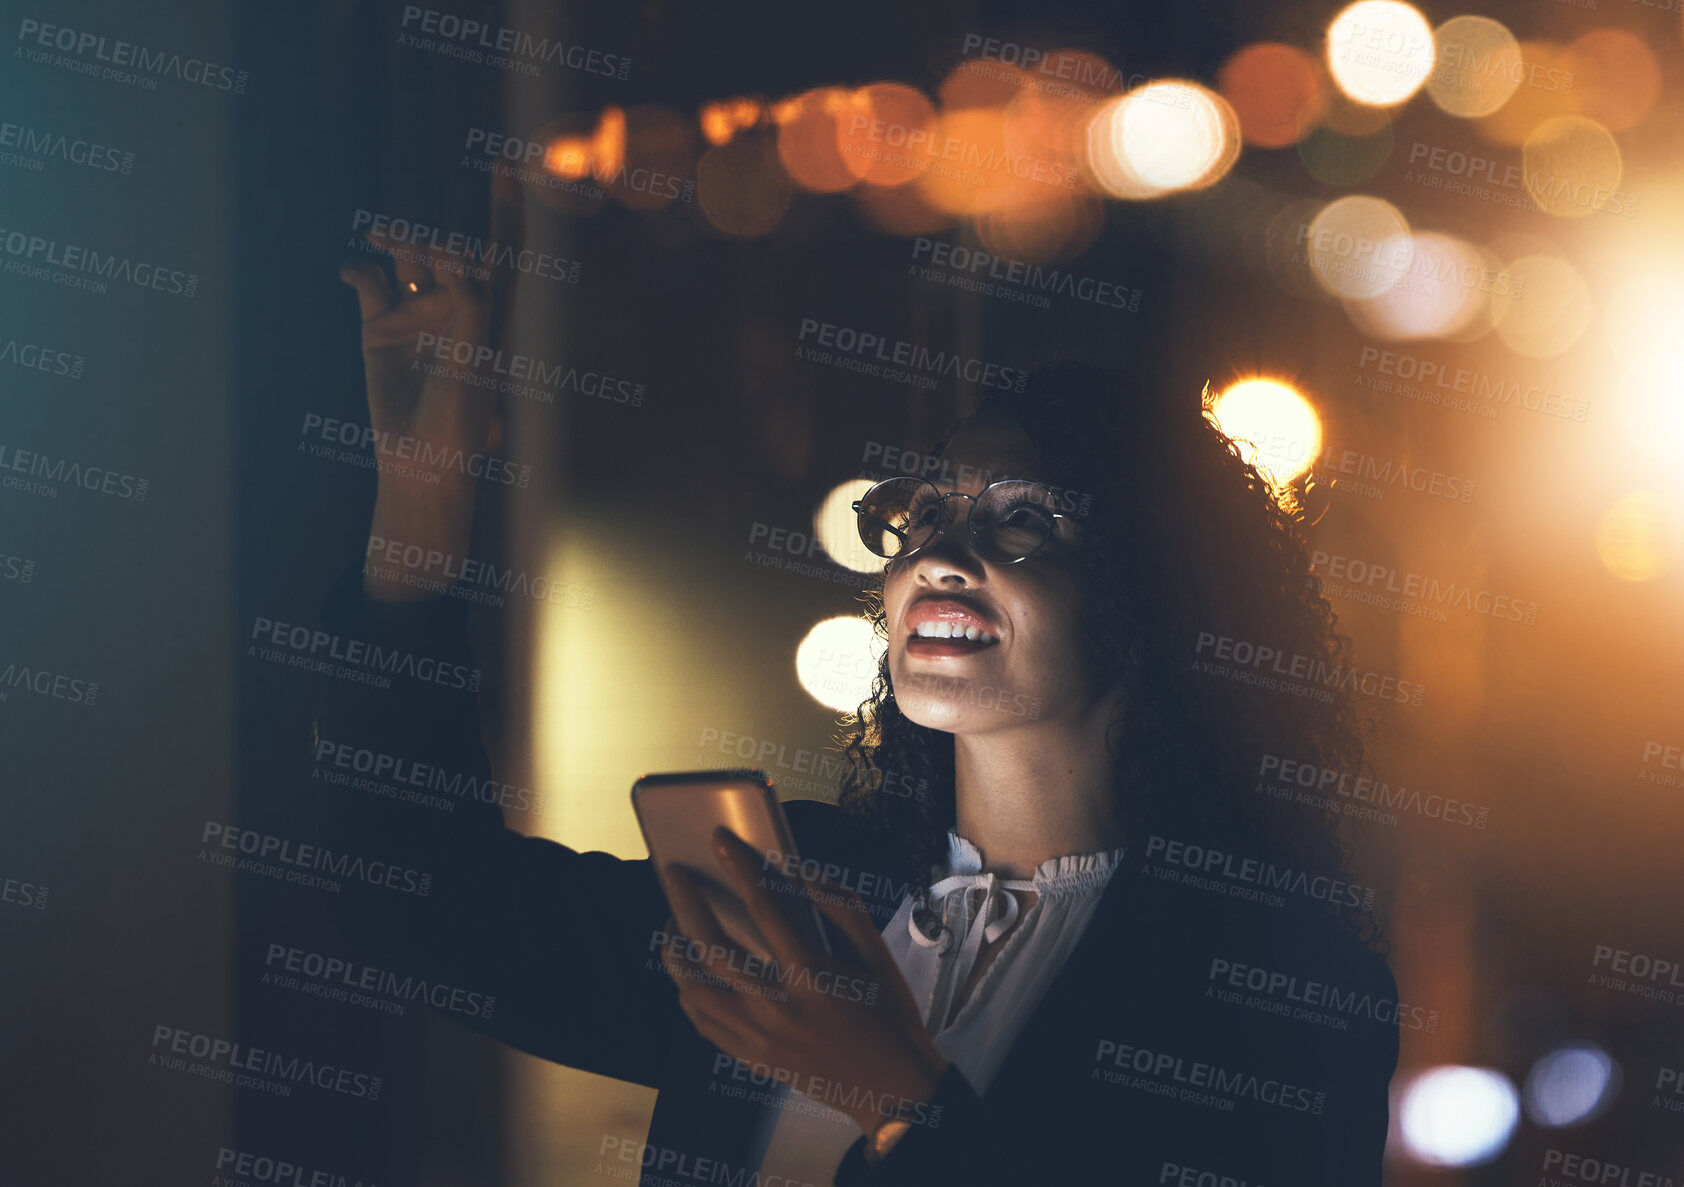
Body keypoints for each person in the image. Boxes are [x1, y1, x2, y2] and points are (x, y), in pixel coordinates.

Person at [321, 236, 1398, 1186]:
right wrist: (424, 496)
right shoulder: (802, 894)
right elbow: (416, 901)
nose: (938, 555)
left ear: (1160, 581)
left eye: (1020, 517)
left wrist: (898, 1105)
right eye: (923, 513)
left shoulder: (1281, 986)